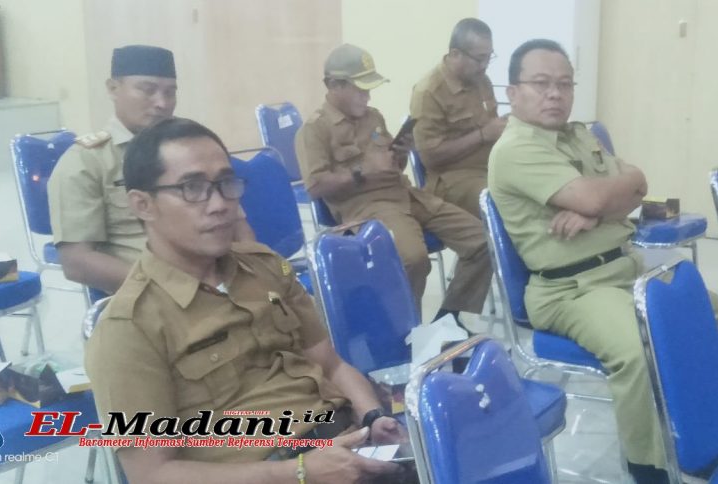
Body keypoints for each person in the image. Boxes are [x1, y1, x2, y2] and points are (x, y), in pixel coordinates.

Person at [487, 39, 718, 484]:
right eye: (541, 83)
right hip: (571, 289)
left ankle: (704, 432)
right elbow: (611, 192)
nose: (554, 94)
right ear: (513, 93)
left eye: (564, 84)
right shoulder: (516, 148)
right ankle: (648, 465)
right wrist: (603, 200)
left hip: (625, 268)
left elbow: (637, 182)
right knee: (642, 347)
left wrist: (596, 210)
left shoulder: (578, 134)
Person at [85, 117, 407, 483]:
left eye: (226, 183)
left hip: (342, 443)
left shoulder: (264, 266)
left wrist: (373, 418)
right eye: (193, 188)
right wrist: (297, 473)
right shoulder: (127, 329)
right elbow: (152, 474)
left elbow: (331, 364)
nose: (220, 204)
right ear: (143, 205)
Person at [295, 43, 491, 321]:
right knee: (412, 259)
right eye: (360, 89)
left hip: (408, 195)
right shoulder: (314, 129)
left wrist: (400, 154)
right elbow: (315, 186)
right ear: (334, 85)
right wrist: (363, 172)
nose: (367, 96)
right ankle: (405, 332)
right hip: (367, 207)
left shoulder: (373, 116)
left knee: (483, 241)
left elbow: (392, 166)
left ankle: (448, 320)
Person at [48, 45, 252, 294]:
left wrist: (253, 277)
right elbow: (77, 262)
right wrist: (179, 290)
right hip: (154, 296)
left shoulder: (192, 150)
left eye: (170, 92)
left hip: (225, 281)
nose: (162, 103)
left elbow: (238, 226)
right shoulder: (86, 162)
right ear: (113, 88)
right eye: (147, 90)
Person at [409, 18, 507, 218]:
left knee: (533, 188)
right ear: (455, 54)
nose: (485, 65)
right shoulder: (429, 91)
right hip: (450, 179)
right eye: (479, 59)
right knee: (503, 200)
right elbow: (430, 157)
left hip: (490, 167)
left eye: (489, 57)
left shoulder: (481, 80)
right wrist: (482, 135)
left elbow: (492, 128)